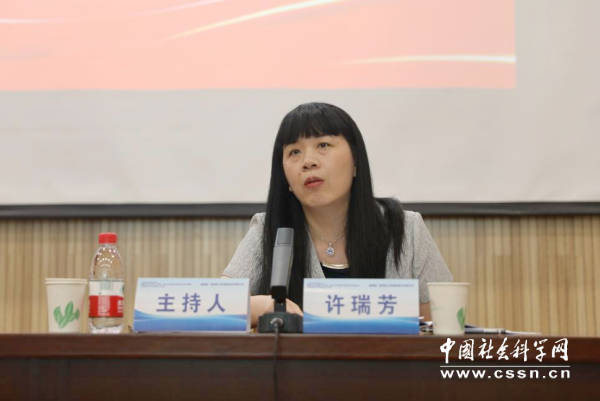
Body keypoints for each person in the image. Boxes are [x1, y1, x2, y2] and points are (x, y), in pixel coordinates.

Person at [222, 102, 452, 327]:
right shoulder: (270, 229)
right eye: (294, 152)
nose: (308, 162)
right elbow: (217, 304)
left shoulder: (406, 228)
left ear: (355, 161)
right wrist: (264, 306)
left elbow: (443, 324)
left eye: (323, 145)